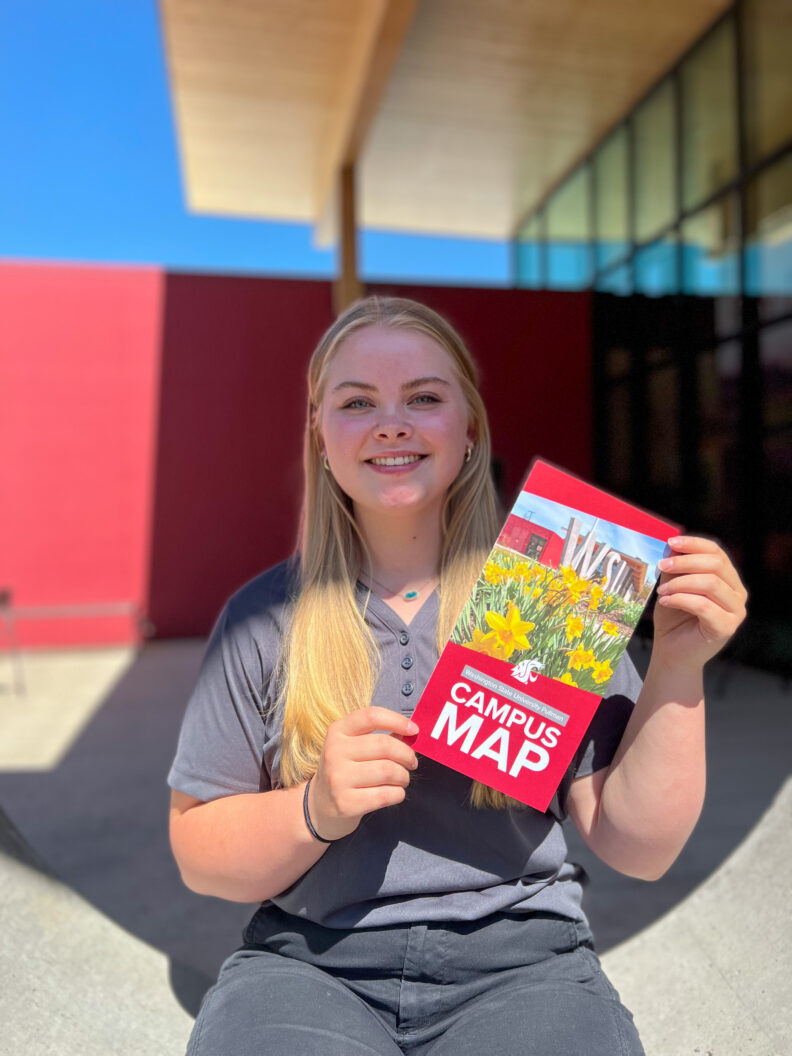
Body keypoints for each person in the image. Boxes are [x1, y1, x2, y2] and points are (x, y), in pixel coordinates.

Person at [168, 296, 747, 1056]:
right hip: (308, 966)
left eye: (425, 398)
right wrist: (313, 808)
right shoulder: (264, 617)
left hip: (525, 966)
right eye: (356, 402)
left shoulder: (549, 595)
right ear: (319, 433)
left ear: (470, 427)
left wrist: (678, 665)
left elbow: (638, 845)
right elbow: (197, 849)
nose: (392, 422)